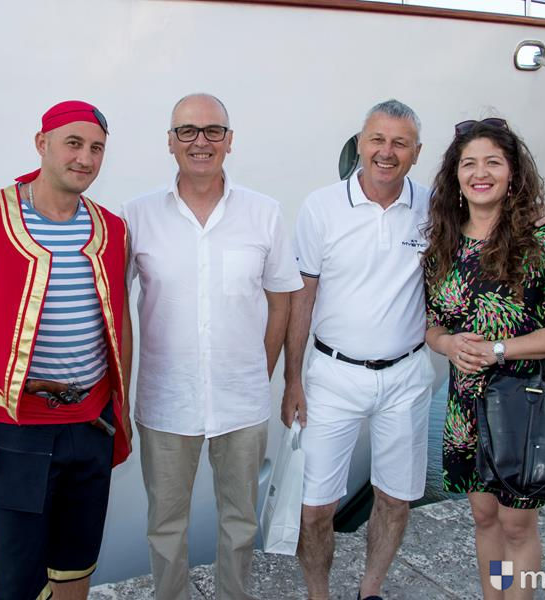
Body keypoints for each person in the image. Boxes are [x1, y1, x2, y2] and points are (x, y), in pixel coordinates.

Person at [0, 100, 132, 600]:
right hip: (16, 431)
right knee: (18, 581)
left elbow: (118, 320)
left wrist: (119, 406)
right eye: (73, 143)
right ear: (42, 144)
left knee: (76, 568)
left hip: (92, 424)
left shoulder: (112, 228)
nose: (85, 158)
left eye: (97, 148)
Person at [123, 93, 302, 600]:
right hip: (165, 401)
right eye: (187, 131)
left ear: (229, 140)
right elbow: (112, 302)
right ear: (170, 142)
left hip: (242, 401)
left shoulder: (264, 213)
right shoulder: (137, 215)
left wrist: (261, 372)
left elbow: (281, 301)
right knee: (165, 527)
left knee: (240, 523)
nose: (200, 141)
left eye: (212, 131)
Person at [422, 118, 545, 600]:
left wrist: (499, 350)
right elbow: (432, 325)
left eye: (493, 162)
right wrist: (449, 345)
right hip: (466, 407)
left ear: (512, 172)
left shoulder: (540, 243)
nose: (481, 173)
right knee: (484, 517)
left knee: (517, 524)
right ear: (455, 175)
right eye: (469, 164)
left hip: (525, 404)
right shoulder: (443, 247)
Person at [282, 99, 434, 600]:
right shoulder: (321, 207)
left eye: (400, 143)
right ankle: (319, 595)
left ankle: (370, 592)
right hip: (333, 374)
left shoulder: (435, 208)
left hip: (406, 375)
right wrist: (293, 379)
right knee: (314, 507)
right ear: (360, 143)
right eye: (377, 140)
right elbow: (303, 296)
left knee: (395, 498)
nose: (386, 152)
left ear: (416, 153)